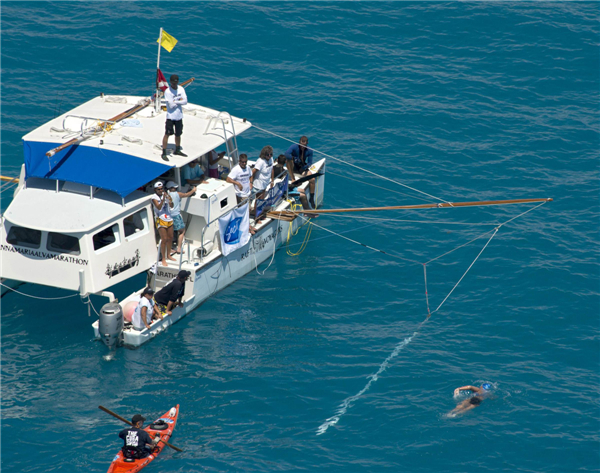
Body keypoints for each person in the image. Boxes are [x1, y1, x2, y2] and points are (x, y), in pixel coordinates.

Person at [226, 154, 257, 234]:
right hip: (240, 195)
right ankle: (246, 228)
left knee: (248, 210)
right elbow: (228, 179)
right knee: (244, 211)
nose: (244, 163)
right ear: (239, 161)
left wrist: (251, 182)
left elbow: (251, 175)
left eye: (245, 162)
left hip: (248, 193)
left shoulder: (247, 168)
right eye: (242, 162)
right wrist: (237, 183)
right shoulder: (236, 169)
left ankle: (248, 225)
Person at [161, 74, 188, 161]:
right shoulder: (168, 92)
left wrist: (175, 101)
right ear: (170, 82)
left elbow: (185, 101)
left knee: (178, 134)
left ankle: (177, 149)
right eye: (173, 83)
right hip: (170, 117)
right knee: (167, 134)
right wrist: (179, 100)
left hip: (179, 116)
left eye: (175, 83)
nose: (174, 85)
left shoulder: (181, 89)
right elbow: (171, 106)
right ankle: (164, 152)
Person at [166, 181, 196, 255]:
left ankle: (169, 249)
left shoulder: (165, 195)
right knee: (182, 231)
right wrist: (193, 190)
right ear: (172, 188)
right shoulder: (177, 194)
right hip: (176, 216)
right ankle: (179, 248)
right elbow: (187, 194)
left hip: (168, 217)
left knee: (170, 233)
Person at [285, 136, 316, 207]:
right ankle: (293, 178)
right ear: (299, 142)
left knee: (312, 179)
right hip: (292, 166)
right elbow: (286, 154)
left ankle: (311, 198)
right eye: (301, 145)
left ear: (307, 143)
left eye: (304, 146)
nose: (302, 147)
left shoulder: (309, 150)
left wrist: (306, 166)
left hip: (301, 167)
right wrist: (294, 158)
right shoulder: (294, 146)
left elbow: (310, 162)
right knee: (288, 160)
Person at [151, 181, 176, 267]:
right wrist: (163, 199)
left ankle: (168, 255)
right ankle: (163, 258)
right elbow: (158, 207)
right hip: (160, 219)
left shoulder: (165, 195)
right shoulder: (154, 197)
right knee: (164, 239)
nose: (161, 190)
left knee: (170, 237)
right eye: (159, 189)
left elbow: (172, 206)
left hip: (168, 217)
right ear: (155, 190)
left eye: (162, 188)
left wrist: (169, 199)